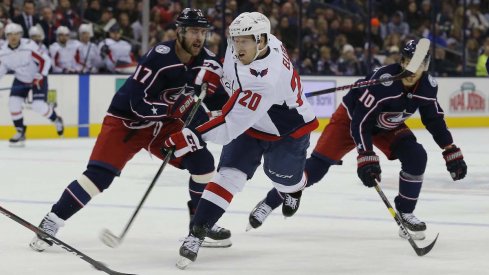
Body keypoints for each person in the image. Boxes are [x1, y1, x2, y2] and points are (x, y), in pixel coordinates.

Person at [29, 8, 231, 252]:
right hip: (127, 121)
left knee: (203, 163)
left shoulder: (207, 61)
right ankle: (51, 222)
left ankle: (200, 226)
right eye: (192, 32)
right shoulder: (159, 57)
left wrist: (222, 103)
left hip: (165, 125)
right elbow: (138, 103)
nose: (198, 37)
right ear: (180, 32)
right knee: (98, 177)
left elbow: (219, 102)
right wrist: (174, 109)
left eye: (202, 32)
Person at [248, 39, 468, 241]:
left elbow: (434, 119)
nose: (413, 69)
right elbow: (361, 121)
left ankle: (406, 213)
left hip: (387, 126)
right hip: (350, 121)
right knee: (315, 170)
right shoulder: (383, 82)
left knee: (416, 157)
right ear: (401, 61)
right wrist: (366, 155)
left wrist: (449, 148)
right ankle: (269, 203)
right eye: (409, 62)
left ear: (426, 66)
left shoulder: (429, 87)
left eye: (418, 64)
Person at [164, 12, 318, 268]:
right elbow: (230, 71)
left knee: (283, 179)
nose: (238, 46)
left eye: (244, 41)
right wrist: (217, 73)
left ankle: (294, 188)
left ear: (261, 41)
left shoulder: (263, 82)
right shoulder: (261, 42)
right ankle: (196, 234)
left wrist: (193, 134)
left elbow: (228, 126)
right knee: (228, 175)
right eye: (235, 39)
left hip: (287, 130)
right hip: (251, 121)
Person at [0, 23, 64, 147]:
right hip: (20, 79)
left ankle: (56, 119)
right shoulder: (3, 52)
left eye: (16, 34)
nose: (13, 37)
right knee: (13, 104)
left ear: (20, 35)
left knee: (38, 105)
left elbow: (45, 60)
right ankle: (20, 130)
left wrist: (41, 75)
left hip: (37, 77)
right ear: (6, 36)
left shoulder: (29, 46)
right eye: (10, 34)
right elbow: (2, 69)